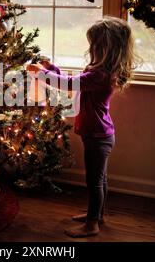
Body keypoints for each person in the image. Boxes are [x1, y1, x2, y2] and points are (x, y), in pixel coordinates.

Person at [27, 16, 135, 237]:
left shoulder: (100, 74)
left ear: (104, 47)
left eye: (94, 44)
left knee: (94, 181)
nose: (91, 48)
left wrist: (41, 72)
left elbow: (69, 84)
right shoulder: (99, 72)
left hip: (97, 136)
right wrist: (52, 68)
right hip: (98, 134)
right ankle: (98, 215)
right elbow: (73, 83)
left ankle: (92, 224)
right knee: (100, 179)